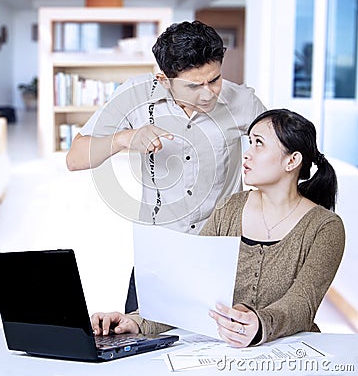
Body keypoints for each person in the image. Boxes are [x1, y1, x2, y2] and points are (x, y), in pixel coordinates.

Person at [90, 109, 345, 347]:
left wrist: (258, 326)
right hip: (222, 352)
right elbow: (190, 288)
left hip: (294, 352)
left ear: (292, 161)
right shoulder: (231, 208)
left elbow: (302, 303)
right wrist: (135, 320)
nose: (247, 153)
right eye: (249, 142)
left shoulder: (325, 227)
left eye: (259, 143)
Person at [66, 20, 266, 312]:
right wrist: (126, 138)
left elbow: (283, 152)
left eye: (215, 79)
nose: (208, 93)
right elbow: (75, 158)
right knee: (140, 341)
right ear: (163, 79)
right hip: (157, 253)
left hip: (222, 255)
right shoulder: (135, 95)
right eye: (194, 85)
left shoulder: (243, 101)